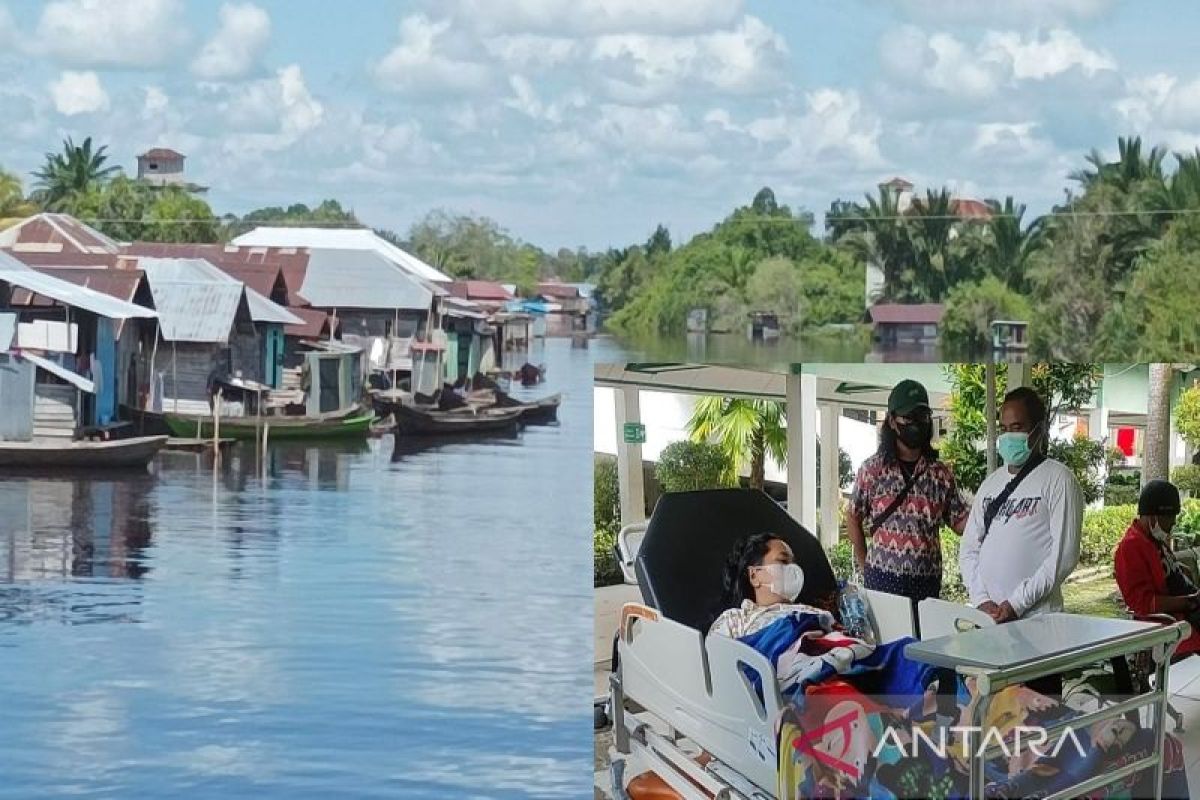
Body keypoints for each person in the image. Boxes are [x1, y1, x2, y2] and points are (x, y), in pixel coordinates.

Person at [959, 386, 1083, 626]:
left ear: (1039, 429)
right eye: (1004, 429)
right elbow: (969, 548)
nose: (1008, 436)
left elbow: (1064, 557)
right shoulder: (990, 484)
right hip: (989, 620)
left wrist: (1017, 603)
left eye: (1017, 427)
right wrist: (981, 600)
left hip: (1038, 620)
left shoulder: (1059, 479)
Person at [847, 379, 968, 604]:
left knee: (922, 641)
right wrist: (866, 566)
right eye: (908, 417)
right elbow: (853, 515)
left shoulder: (940, 474)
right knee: (887, 641)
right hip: (881, 582)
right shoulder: (873, 470)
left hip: (927, 585)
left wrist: (991, 514)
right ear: (892, 421)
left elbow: (960, 522)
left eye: (922, 417)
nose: (915, 424)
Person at [1114, 479, 1200, 657]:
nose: (1174, 522)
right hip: (1170, 623)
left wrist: (1180, 570)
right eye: (1170, 516)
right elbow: (1143, 603)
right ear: (1153, 516)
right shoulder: (1131, 547)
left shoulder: (1155, 540)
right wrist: (1189, 601)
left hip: (1188, 610)